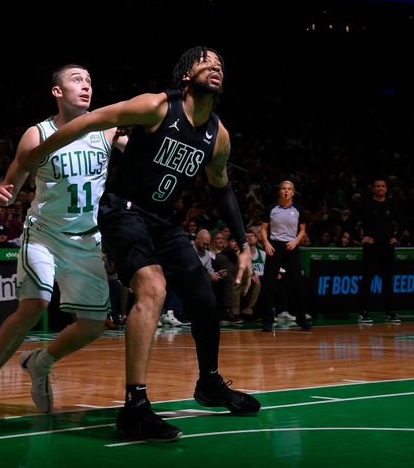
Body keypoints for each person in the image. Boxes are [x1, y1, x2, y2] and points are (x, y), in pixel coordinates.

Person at [23, 46, 260, 442]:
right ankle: (134, 407)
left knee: (204, 298)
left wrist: (244, 245)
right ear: (186, 76)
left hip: (163, 222)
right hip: (122, 211)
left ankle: (210, 384)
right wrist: (33, 155)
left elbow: (222, 189)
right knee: (153, 288)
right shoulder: (156, 107)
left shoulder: (217, 135)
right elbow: (92, 120)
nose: (216, 65)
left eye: (220, 62)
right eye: (206, 61)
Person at [0, 63, 126, 431]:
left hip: (86, 240)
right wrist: (2, 193)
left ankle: (42, 362)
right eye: (77, 80)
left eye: (89, 81)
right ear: (57, 92)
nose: (86, 86)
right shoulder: (37, 135)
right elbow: (10, 185)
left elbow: (141, 151)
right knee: (35, 303)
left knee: (94, 325)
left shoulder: (107, 130)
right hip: (45, 235)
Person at [258, 181, 312, 332]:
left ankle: (301, 318)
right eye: (283, 188)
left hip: (291, 247)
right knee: (269, 285)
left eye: (289, 189)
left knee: (299, 285)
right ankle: (268, 320)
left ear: (293, 193)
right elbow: (263, 228)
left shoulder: (298, 210)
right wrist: (266, 243)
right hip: (274, 246)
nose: (286, 191)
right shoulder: (271, 208)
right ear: (279, 191)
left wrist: (296, 240)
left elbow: (302, 229)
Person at [356, 176, 401, 325]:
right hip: (371, 247)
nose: (380, 188)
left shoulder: (391, 205)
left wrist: (396, 237)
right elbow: (351, 222)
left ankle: (390, 313)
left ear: (386, 189)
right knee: (367, 280)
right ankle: (363, 312)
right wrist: (361, 237)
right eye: (378, 186)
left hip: (387, 247)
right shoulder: (365, 205)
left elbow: (403, 222)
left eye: (383, 186)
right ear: (373, 188)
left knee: (387, 281)